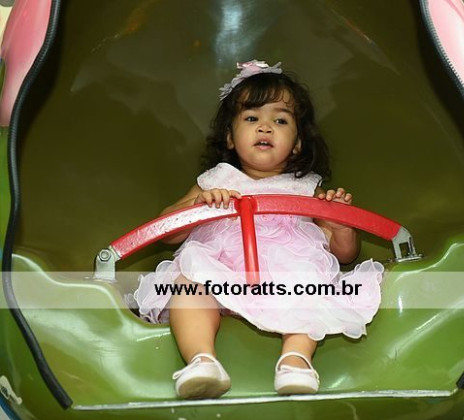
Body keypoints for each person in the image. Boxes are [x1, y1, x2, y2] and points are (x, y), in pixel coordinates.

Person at [133, 60, 384, 399]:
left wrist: (340, 225)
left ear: (297, 143)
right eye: (252, 118)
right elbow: (167, 232)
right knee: (189, 281)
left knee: (312, 282)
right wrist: (198, 206)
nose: (265, 127)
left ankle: (295, 361)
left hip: (286, 281)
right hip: (220, 271)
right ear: (230, 137)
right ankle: (202, 361)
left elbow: (344, 255)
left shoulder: (306, 189)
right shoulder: (216, 180)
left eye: (280, 120)